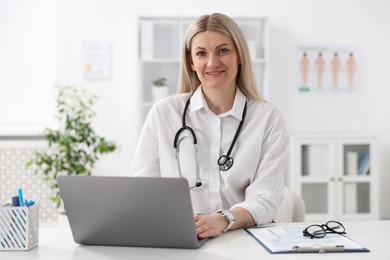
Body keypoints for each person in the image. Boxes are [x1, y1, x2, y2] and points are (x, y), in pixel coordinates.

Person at [130, 13, 288, 239]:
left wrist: (222, 220)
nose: (212, 63)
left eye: (223, 50)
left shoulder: (268, 118)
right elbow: (142, 190)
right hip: (180, 236)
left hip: (243, 238)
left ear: (240, 56)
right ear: (191, 63)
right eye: (201, 53)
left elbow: (266, 197)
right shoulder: (164, 113)